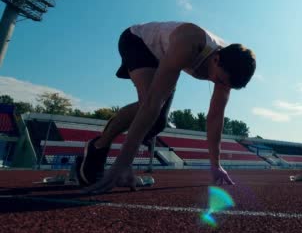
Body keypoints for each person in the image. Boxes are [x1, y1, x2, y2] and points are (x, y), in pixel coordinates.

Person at [78, 21, 256, 194]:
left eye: (227, 85)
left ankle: (105, 151)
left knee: (158, 122)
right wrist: (123, 163)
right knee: (148, 105)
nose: (221, 86)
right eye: (219, 80)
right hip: (138, 41)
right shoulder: (191, 41)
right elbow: (152, 102)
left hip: (166, 57)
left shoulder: (228, 71)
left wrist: (216, 165)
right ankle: (98, 146)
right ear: (216, 59)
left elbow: (215, 117)